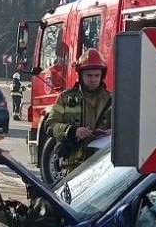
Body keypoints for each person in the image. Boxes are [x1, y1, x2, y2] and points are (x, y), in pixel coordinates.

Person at [47, 48, 112, 177]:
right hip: (72, 168)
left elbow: (126, 130)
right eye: (89, 75)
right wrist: (72, 131)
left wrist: (111, 133)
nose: (93, 79)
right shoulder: (65, 98)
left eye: (97, 75)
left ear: (102, 76)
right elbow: (50, 125)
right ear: (80, 75)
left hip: (103, 167)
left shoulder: (112, 100)